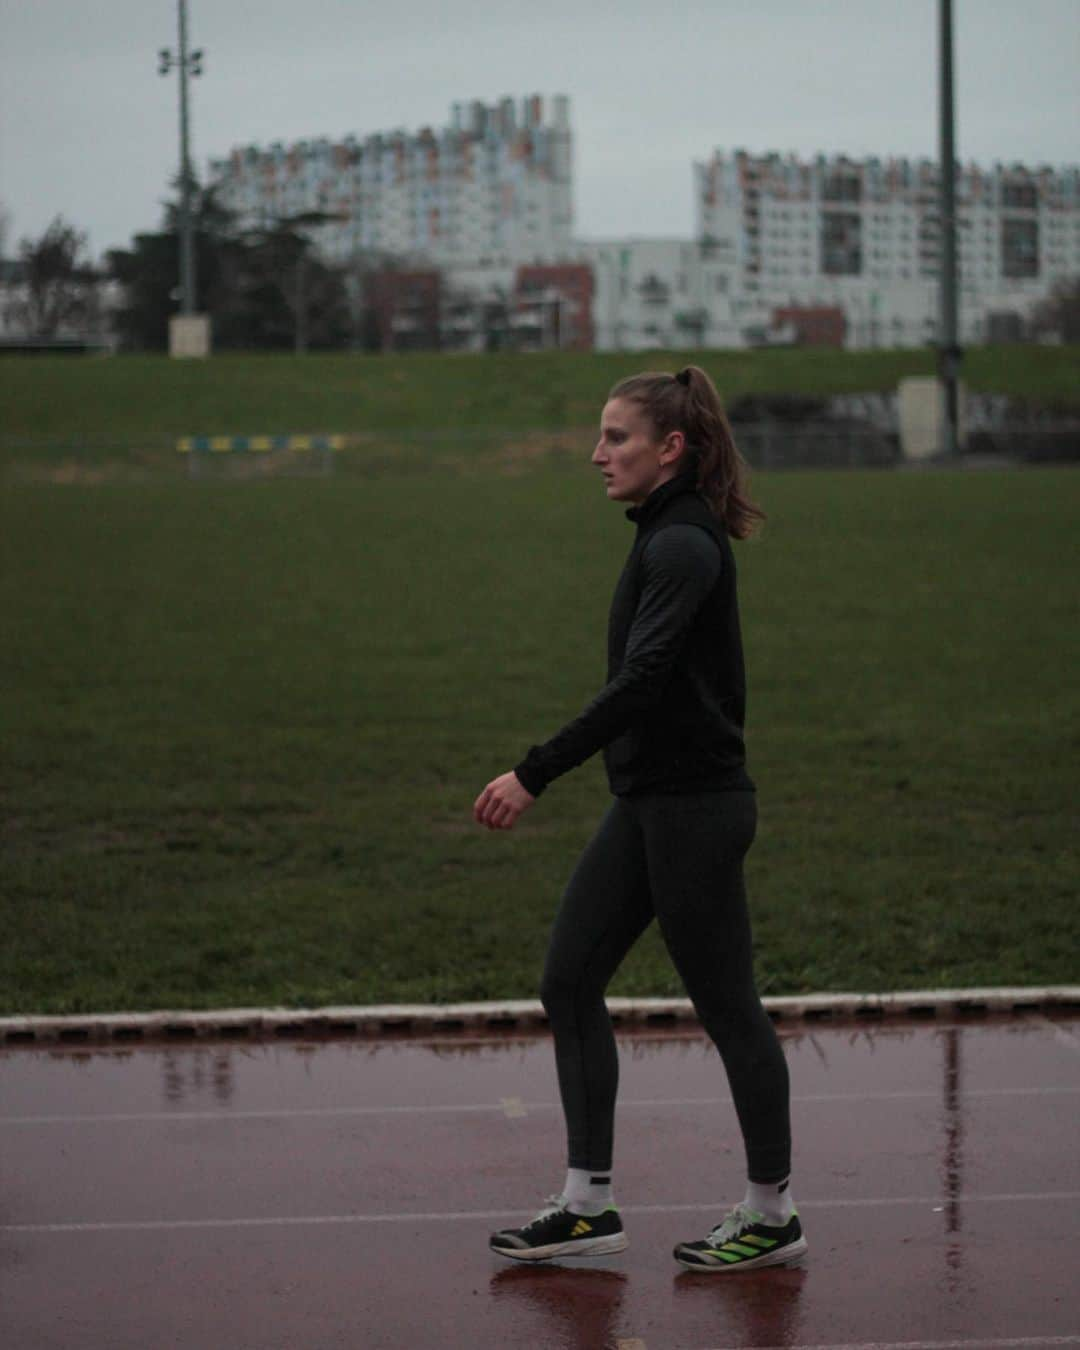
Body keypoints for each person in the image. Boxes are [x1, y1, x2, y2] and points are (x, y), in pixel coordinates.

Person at [473, 366, 807, 1274]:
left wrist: (534, 771)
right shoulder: (665, 535)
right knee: (569, 979)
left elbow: (643, 680)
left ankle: (772, 1212)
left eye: (616, 437)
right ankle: (587, 1206)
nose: (597, 454)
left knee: (729, 1008)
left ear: (671, 448)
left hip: (695, 811)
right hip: (650, 804)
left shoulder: (685, 546)